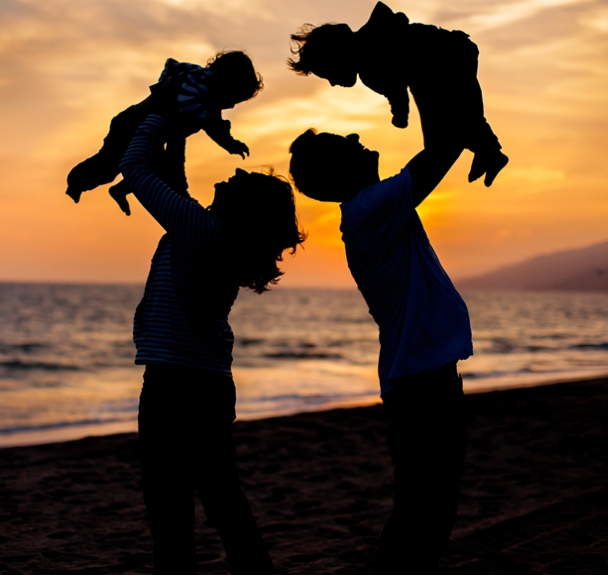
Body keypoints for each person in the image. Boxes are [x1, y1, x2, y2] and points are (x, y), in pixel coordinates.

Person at [119, 107, 306, 573]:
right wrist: (185, 128)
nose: (234, 172)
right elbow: (175, 182)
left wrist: (158, 119)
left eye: (240, 180)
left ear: (243, 207)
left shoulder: (198, 230)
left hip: (173, 387)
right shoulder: (212, 234)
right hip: (210, 384)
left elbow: (137, 168)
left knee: (169, 509)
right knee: (224, 500)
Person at [288, 128, 471, 573]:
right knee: (424, 513)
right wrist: (464, 116)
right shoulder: (370, 208)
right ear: (340, 171)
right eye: (343, 142)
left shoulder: (373, 208)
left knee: (424, 509)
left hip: (421, 379)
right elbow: (441, 150)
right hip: (421, 385)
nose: (355, 134)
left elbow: (438, 147)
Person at [288, 1, 508, 186]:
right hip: (454, 52)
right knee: (467, 116)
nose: (333, 83)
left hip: (441, 65)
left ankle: (487, 151)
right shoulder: (373, 43)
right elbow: (396, 88)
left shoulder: (371, 69)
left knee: (444, 131)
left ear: (339, 57)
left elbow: (397, 94)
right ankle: (489, 150)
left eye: (329, 74)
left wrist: (400, 117)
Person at [66, 51, 262, 215]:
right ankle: (75, 182)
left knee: (156, 173)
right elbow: (186, 105)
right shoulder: (198, 82)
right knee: (107, 167)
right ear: (226, 82)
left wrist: (231, 143)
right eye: (235, 97)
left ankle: (120, 189)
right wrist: (208, 119)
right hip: (130, 125)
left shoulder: (210, 102)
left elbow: (214, 128)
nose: (233, 105)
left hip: (155, 136)